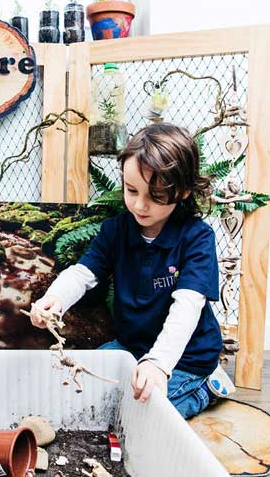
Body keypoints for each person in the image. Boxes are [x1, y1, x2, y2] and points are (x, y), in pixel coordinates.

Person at [30, 123, 235, 419]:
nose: (140, 204)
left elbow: (187, 307)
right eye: (131, 190)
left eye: (156, 195)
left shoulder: (197, 238)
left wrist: (159, 364)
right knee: (80, 385)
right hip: (131, 346)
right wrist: (55, 300)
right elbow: (82, 274)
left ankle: (204, 389)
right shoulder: (116, 230)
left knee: (139, 414)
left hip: (185, 358)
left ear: (185, 191)